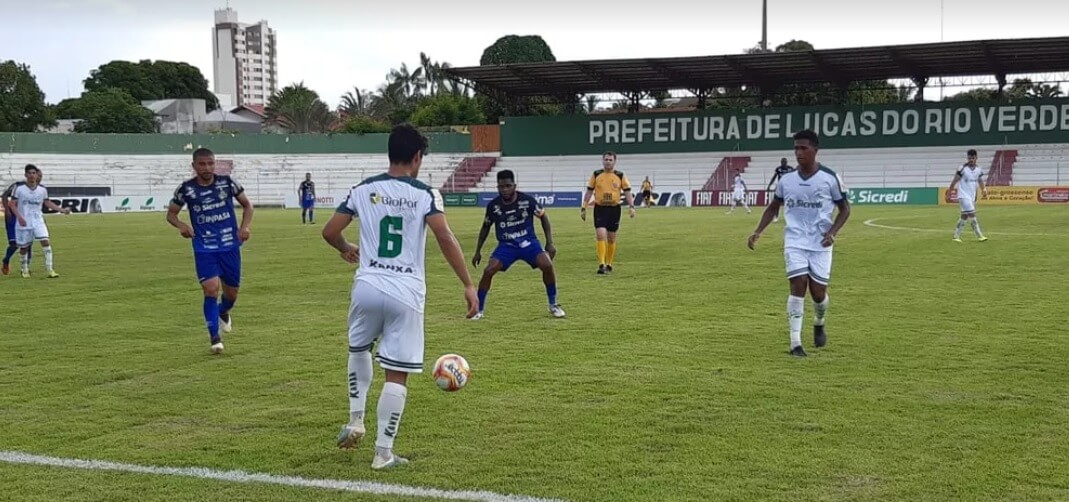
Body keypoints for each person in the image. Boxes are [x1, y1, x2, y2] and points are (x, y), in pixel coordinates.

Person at [323, 124, 478, 470]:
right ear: (417, 157)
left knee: (358, 348)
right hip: (405, 291)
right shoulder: (425, 193)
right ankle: (383, 453)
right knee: (397, 373)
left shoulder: (363, 188)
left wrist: (347, 248)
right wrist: (468, 284)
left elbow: (330, 231)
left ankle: (355, 418)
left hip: (367, 285)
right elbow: (444, 236)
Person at [748, 130, 851, 357]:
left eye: (803, 148)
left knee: (818, 294)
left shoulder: (830, 178)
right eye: (796, 148)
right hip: (794, 240)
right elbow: (774, 207)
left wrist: (832, 232)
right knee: (798, 285)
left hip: (821, 243)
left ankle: (819, 321)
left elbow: (845, 209)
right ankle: (795, 344)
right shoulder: (787, 180)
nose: (798, 152)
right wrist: (758, 231)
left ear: (815, 150)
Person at [167, 148, 255, 354]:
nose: (207, 168)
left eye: (210, 163)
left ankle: (223, 311)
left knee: (231, 294)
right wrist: (181, 225)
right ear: (194, 166)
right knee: (211, 289)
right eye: (202, 164)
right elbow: (171, 214)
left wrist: (245, 227)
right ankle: (215, 338)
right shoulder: (186, 190)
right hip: (204, 247)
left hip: (229, 246)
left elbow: (247, 206)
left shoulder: (227, 183)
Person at [471, 170, 565, 320]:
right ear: (497, 187)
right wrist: (477, 251)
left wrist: (549, 242)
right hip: (507, 245)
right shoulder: (493, 206)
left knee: (547, 265)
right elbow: (485, 227)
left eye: (508, 186)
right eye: (501, 187)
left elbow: (543, 217)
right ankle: (478, 310)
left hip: (528, 243)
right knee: (488, 271)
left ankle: (553, 305)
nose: (505, 190)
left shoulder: (527, 200)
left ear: (514, 185)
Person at [7, 164, 70, 278]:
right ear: (26, 175)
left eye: (34, 173)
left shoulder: (42, 190)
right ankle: (24, 269)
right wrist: (19, 217)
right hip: (24, 222)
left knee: (45, 241)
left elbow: (47, 203)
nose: (32, 175)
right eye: (30, 173)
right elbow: (12, 204)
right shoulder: (19, 189)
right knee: (24, 247)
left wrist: (61, 210)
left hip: (38, 221)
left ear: (37, 175)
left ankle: (50, 269)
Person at [581, 151, 636, 275]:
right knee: (600, 234)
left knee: (611, 238)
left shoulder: (620, 175)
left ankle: (609, 263)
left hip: (614, 209)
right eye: (606, 159)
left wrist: (632, 206)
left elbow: (627, 192)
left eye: (610, 160)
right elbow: (589, 192)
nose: (608, 162)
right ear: (602, 160)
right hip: (600, 208)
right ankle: (601, 264)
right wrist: (584, 207)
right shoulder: (596, 174)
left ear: (614, 162)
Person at [947, 149, 989, 242]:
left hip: (972, 196)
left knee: (964, 216)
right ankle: (980, 236)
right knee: (972, 214)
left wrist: (984, 189)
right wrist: (949, 191)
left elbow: (980, 180)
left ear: (976, 158)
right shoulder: (962, 169)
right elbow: (955, 180)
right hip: (963, 195)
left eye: (973, 158)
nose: (971, 160)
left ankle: (956, 236)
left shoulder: (978, 170)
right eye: (969, 158)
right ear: (967, 158)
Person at [1, 177, 29, 275]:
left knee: (27, 243)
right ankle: (6, 260)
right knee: (14, 243)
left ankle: (25, 267)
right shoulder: (18, 185)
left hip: (24, 215)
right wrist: (7, 210)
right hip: (12, 216)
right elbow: (4, 195)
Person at [767, 158, 795, 223]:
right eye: (782, 162)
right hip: (780, 187)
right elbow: (774, 177)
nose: (783, 163)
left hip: (788, 187)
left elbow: (794, 177)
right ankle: (776, 217)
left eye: (785, 162)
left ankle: (790, 217)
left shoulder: (790, 169)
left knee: (789, 203)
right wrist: (769, 185)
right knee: (777, 202)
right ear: (781, 162)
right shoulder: (778, 169)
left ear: (786, 162)